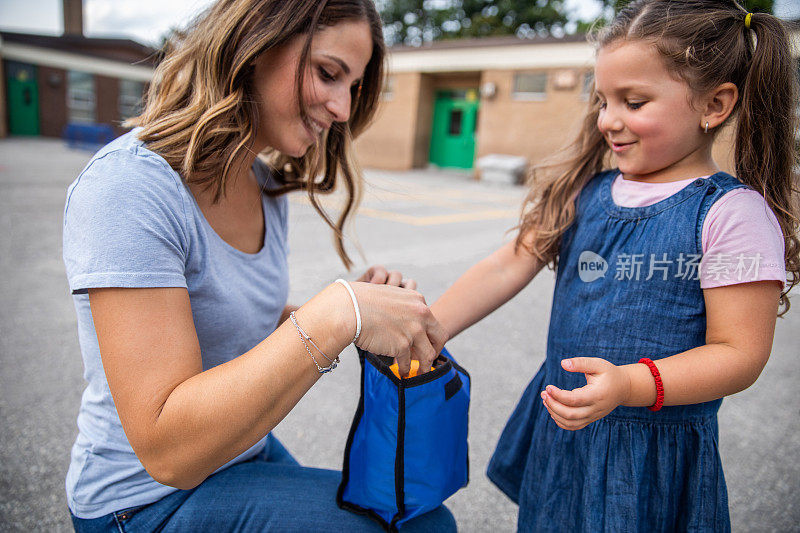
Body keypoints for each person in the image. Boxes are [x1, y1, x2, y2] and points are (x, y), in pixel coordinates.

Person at [62, 1, 455, 531]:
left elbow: (239, 317)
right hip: (144, 499)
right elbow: (167, 453)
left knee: (412, 510)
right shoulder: (130, 188)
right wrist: (336, 314)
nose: (342, 108)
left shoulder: (263, 184)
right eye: (328, 73)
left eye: (353, 87)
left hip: (236, 452)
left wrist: (363, 315)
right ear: (255, 43)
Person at [431, 1, 799, 530]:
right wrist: (434, 327)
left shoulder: (732, 215)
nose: (609, 120)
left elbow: (740, 354)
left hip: (650, 455)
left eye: (634, 101)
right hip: (568, 429)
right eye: (603, 101)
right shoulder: (587, 191)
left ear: (714, 104)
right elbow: (509, 262)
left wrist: (629, 385)